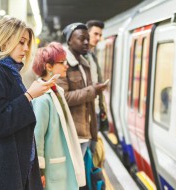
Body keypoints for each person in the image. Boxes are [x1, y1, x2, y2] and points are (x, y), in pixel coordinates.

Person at [0, 16, 55, 190]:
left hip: (15, 169)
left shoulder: (9, 73)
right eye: (21, 42)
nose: (25, 49)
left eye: (27, 43)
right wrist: (29, 95)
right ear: (4, 41)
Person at [32, 42, 86, 189]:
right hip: (52, 168)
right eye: (62, 62)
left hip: (61, 165)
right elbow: (38, 136)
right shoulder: (42, 98)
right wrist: (40, 170)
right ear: (48, 67)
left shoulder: (57, 91)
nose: (66, 66)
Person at [57, 23, 107, 156]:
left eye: (87, 38)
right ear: (69, 41)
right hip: (73, 134)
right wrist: (93, 91)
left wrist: (94, 132)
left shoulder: (84, 65)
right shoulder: (63, 65)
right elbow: (63, 98)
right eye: (81, 39)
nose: (86, 42)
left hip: (86, 131)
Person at [85, 20, 106, 153]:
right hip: (87, 113)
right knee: (88, 151)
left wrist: (102, 107)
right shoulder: (82, 56)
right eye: (95, 34)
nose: (98, 38)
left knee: (91, 150)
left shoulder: (92, 55)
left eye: (100, 35)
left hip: (96, 109)